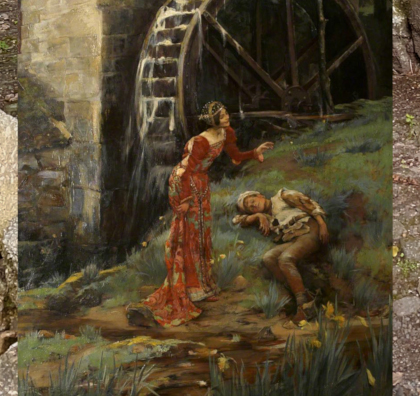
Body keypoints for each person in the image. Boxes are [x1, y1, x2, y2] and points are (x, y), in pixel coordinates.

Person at [132, 101, 273, 327]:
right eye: (222, 114)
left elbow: (235, 156)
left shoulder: (226, 133)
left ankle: (202, 286)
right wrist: (186, 200)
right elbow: (186, 172)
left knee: (202, 231)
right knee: (189, 233)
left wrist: (254, 153)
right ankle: (190, 288)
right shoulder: (201, 141)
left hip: (199, 181)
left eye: (226, 112)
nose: (227, 116)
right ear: (212, 119)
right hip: (184, 183)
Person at [233, 188, 328, 321]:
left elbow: (308, 203)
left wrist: (322, 224)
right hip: (295, 239)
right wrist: (258, 216)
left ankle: (303, 307)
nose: (253, 205)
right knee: (269, 258)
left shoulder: (282, 197)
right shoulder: (266, 216)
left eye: (253, 201)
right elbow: (237, 220)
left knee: (285, 259)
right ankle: (304, 296)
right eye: (250, 208)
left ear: (260, 195)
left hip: (310, 231)